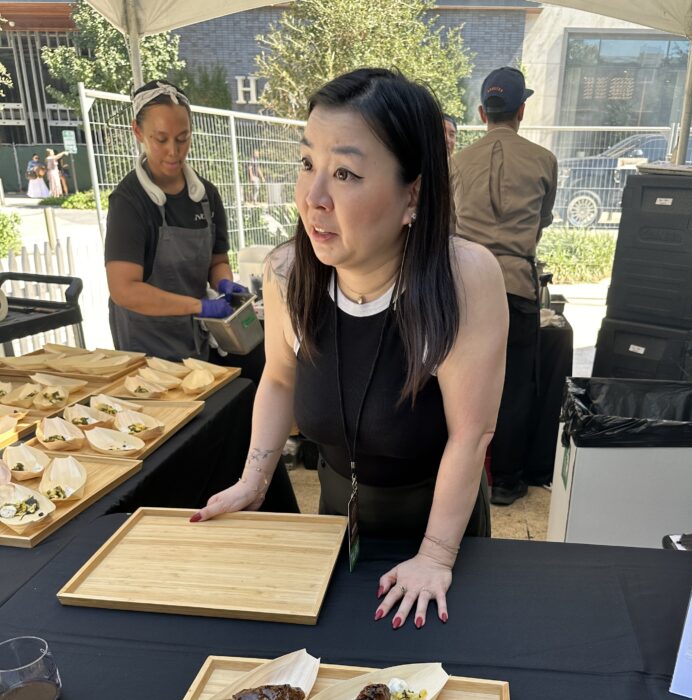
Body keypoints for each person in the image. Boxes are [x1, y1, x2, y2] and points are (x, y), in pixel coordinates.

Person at [192, 68, 507, 628]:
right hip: (338, 510)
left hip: (438, 520)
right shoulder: (288, 272)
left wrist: (435, 557)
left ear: (412, 194)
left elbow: (471, 433)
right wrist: (253, 479)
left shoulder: (462, 278)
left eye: (345, 173)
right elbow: (281, 378)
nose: (314, 198)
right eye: (307, 163)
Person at [452, 67, 557, 505]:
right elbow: (543, 220)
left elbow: (447, 224)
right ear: (521, 111)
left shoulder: (456, 162)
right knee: (514, 387)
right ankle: (508, 481)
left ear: (481, 112)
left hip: (464, 287)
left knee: (460, 382)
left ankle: (461, 472)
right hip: (516, 285)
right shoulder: (543, 160)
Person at [104, 79, 247, 361]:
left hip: (195, 342)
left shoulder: (206, 196)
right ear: (138, 132)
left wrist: (224, 284)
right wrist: (198, 306)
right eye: (161, 139)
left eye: (183, 138)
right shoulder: (129, 202)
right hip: (145, 351)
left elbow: (217, 262)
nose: (174, 151)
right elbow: (124, 289)